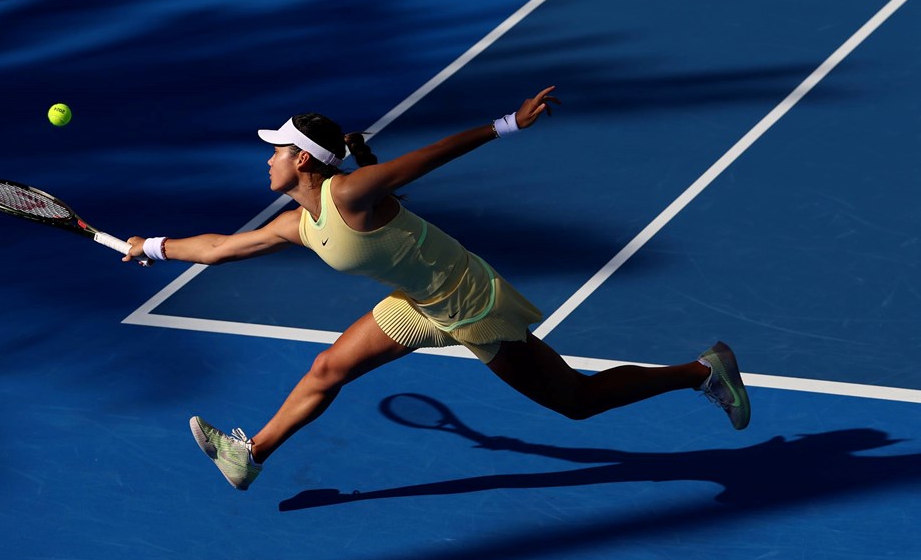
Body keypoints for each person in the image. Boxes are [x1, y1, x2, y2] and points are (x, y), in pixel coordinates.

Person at [124, 86, 751, 491]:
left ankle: (701, 371)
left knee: (576, 402)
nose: (268, 158)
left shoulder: (348, 193)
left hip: (470, 303)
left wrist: (508, 123)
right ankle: (251, 455)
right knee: (325, 369)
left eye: (279, 150)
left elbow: (433, 155)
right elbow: (217, 248)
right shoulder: (296, 222)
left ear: (306, 162)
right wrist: (148, 246)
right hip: (417, 305)